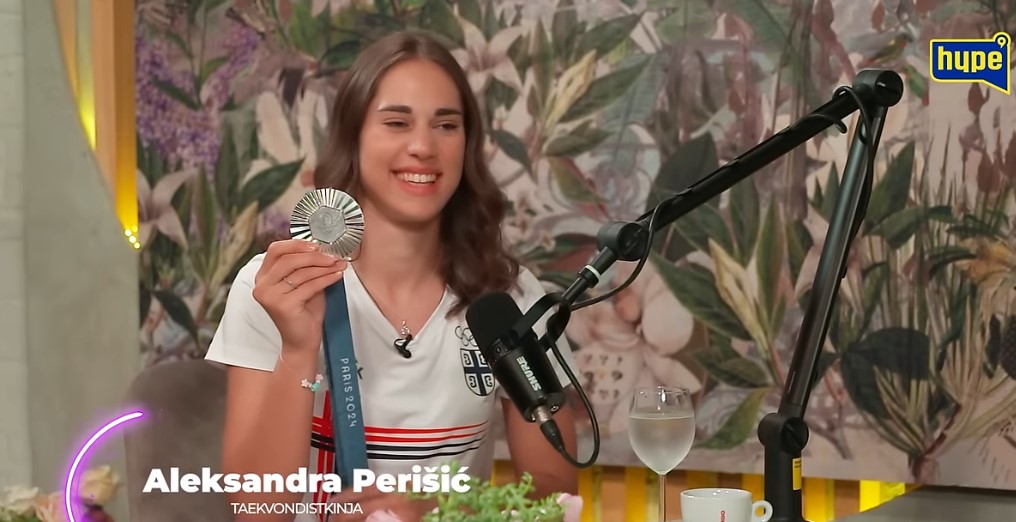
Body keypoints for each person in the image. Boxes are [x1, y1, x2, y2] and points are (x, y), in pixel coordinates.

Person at [204, 30, 581, 522]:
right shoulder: (276, 286)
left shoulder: (509, 299)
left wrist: (437, 509)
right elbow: (257, 511)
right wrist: (297, 351)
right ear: (353, 138)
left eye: (446, 125)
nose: (423, 146)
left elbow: (555, 493)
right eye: (397, 122)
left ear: (467, 146)